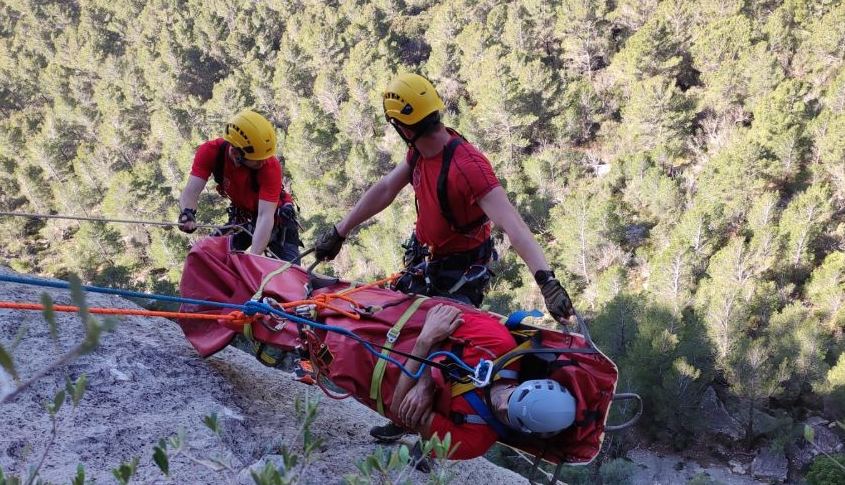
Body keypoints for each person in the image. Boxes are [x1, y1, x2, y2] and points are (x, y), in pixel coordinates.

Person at [310, 72, 575, 441]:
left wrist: (546, 279)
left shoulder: (468, 166)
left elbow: (513, 224)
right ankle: (399, 406)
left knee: (442, 345)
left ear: (402, 125)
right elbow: (386, 187)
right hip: (426, 261)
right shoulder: (421, 150)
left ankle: (426, 429)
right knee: (399, 331)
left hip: (459, 272)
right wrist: (340, 231)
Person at [388, 303, 577, 461]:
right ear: (524, 385)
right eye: (512, 397)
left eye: (511, 418)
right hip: (390, 328)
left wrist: (425, 342)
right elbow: (440, 311)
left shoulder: (473, 441)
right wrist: (424, 383)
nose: (501, 406)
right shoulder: (499, 344)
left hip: (375, 381)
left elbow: (397, 410)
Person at [176, 110, 301, 261]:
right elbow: (191, 191)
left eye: (265, 157)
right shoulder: (210, 152)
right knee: (205, 256)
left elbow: (265, 217)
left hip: (278, 217)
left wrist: (253, 259)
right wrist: (187, 213)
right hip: (243, 217)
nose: (263, 162)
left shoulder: (270, 166)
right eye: (257, 159)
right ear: (235, 153)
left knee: (288, 275)